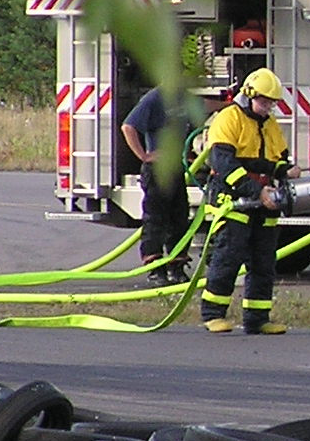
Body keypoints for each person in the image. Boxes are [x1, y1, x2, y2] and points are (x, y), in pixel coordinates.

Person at [198, 68, 291, 335]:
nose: (268, 108)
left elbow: (277, 157)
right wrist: (255, 190)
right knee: (228, 256)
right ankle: (213, 314)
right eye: (264, 102)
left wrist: (286, 172)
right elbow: (225, 164)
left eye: (272, 103)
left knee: (264, 261)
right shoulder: (229, 118)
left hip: (262, 198)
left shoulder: (268, 122)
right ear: (249, 95)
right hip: (232, 197)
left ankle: (257, 318)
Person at [120, 83, 192, 283]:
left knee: (179, 217)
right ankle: (155, 268)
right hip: (157, 170)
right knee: (156, 219)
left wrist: (227, 104)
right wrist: (144, 156)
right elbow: (128, 126)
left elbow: (202, 106)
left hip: (175, 167)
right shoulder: (154, 99)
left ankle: (177, 266)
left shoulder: (182, 96)